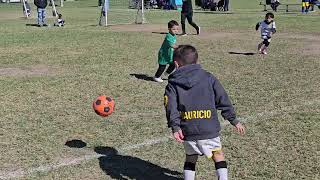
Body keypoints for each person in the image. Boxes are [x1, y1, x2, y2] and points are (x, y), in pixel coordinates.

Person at [164, 45, 245, 180]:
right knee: (218, 154)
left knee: (191, 158)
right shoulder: (208, 77)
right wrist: (233, 120)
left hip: (188, 129)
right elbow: (223, 98)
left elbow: (170, 107)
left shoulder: (172, 83)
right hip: (209, 127)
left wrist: (175, 126)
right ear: (196, 61)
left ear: (176, 64)